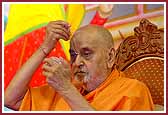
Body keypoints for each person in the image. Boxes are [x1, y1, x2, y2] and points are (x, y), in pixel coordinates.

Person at [4, 20, 154, 111]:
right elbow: (11, 99)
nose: (76, 62)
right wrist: (45, 47)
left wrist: (66, 89)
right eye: (73, 55)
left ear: (110, 57)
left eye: (86, 53)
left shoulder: (132, 91)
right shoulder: (70, 86)